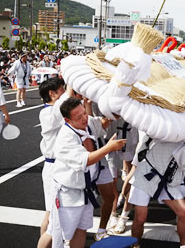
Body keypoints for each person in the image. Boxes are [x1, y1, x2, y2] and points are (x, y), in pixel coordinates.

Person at [46, 97, 126, 247]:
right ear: (67, 120)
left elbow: (101, 123)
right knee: (54, 233)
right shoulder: (65, 138)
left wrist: (114, 111)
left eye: (84, 113)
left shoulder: (86, 123)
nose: (84, 118)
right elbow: (86, 159)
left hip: (85, 191)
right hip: (68, 194)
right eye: (79, 117)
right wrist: (109, 148)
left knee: (81, 230)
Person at [129, 124, 185, 247]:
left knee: (184, 212)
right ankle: (135, 245)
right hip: (147, 174)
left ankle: (183, 245)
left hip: (169, 181)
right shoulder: (178, 132)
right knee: (140, 218)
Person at [36, 77, 72, 248]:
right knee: (51, 214)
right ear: (52, 93)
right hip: (53, 167)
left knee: (61, 212)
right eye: (61, 89)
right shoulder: (47, 112)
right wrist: (72, 82)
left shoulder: (55, 109)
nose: (64, 92)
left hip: (63, 166)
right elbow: (65, 103)